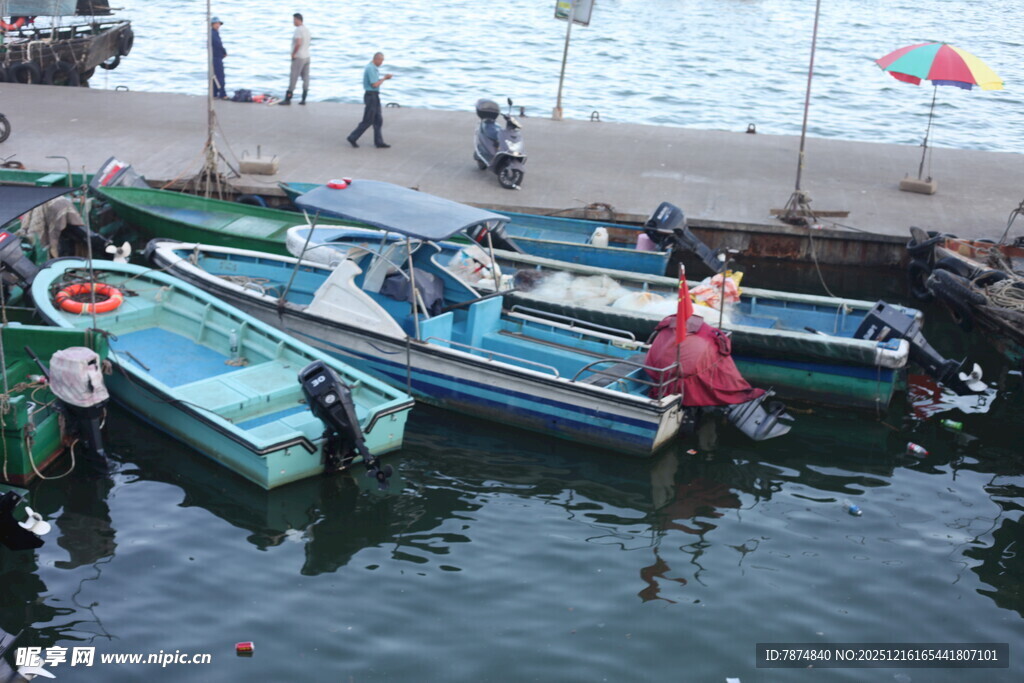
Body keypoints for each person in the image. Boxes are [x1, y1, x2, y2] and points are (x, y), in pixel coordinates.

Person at [346, 52, 392, 149]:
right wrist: (384, 78)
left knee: (378, 120)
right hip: (371, 95)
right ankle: (353, 137)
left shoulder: (373, 68)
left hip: (375, 95)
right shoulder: (371, 68)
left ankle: (379, 142)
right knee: (368, 120)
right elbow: (374, 84)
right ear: (376, 59)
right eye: (381, 60)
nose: (382, 63)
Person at [282, 13, 311, 106]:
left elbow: (298, 43)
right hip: (307, 56)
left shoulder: (298, 30)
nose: (293, 22)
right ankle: (304, 99)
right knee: (305, 77)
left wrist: (294, 54)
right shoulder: (307, 30)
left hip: (299, 57)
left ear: (298, 20)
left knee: (293, 77)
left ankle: (288, 98)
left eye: (294, 20)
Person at [211, 16, 228, 99]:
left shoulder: (214, 33)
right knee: (220, 75)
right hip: (216, 57)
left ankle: (214, 93)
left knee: (215, 75)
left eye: (219, 24)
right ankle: (222, 94)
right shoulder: (213, 33)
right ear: (212, 24)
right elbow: (218, 45)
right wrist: (224, 52)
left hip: (215, 56)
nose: (218, 26)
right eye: (216, 24)